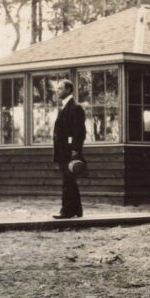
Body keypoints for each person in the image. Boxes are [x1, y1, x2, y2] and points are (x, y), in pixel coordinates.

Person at [52, 79, 86, 219]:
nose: (57, 91)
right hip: (63, 150)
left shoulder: (75, 107)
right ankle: (77, 210)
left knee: (68, 181)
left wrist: (75, 150)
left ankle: (66, 211)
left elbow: (79, 132)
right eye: (57, 88)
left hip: (69, 151)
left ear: (68, 90)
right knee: (69, 180)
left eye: (60, 88)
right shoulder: (65, 107)